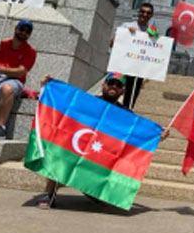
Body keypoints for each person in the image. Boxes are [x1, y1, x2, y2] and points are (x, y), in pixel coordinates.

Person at [37, 73, 127, 209]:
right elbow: (63, 103)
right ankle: (49, 194)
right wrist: (47, 87)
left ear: (123, 90)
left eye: (118, 85)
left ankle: (93, 191)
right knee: (58, 150)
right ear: (103, 85)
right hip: (79, 146)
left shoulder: (126, 114)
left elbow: (137, 139)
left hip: (100, 153)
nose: (114, 86)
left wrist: (158, 136)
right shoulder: (87, 101)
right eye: (111, 83)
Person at [111, 2, 157, 109]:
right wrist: (126, 33)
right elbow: (112, 44)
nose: (145, 14)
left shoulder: (153, 32)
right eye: (142, 11)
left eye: (148, 13)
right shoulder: (127, 26)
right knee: (114, 91)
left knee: (130, 99)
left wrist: (152, 38)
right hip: (122, 67)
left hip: (138, 70)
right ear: (138, 12)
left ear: (151, 15)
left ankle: (126, 116)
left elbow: (156, 51)